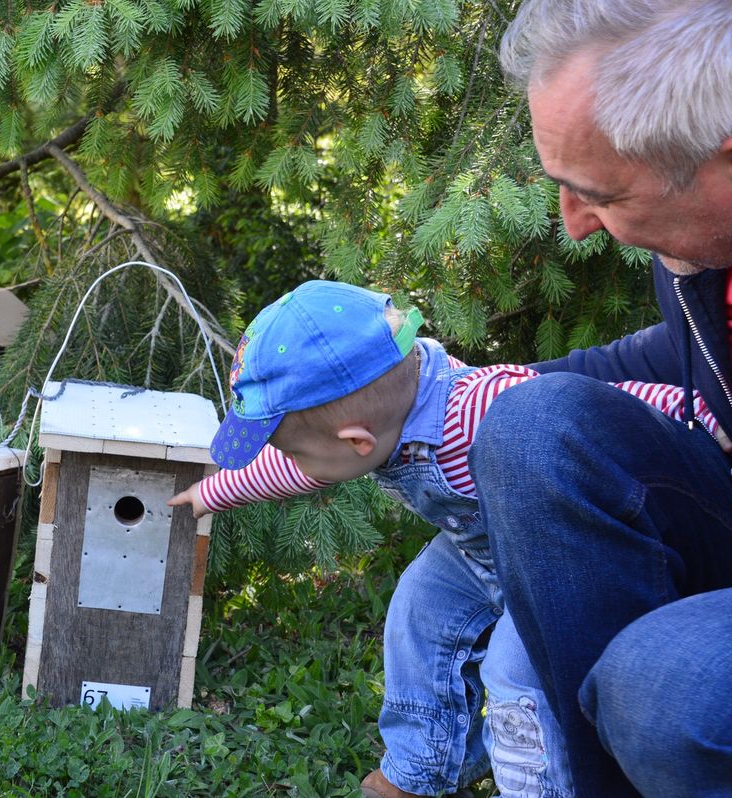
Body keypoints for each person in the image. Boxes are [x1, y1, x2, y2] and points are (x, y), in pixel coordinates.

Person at [167, 280, 723, 798]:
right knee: (418, 610)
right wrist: (212, 493)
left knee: (515, 668)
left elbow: (605, 403)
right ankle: (419, 767)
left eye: (291, 447)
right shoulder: (379, 420)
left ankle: (544, 785)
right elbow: (302, 468)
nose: (290, 461)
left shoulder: (479, 407)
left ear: (358, 441)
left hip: (551, 556)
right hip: (477, 547)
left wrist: (703, 414)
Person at [465, 1, 732, 795]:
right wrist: (444, 393)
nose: (573, 225)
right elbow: (688, 359)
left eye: (602, 195)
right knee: (531, 432)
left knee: (665, 689)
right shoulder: (702, 257)